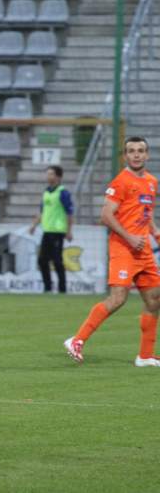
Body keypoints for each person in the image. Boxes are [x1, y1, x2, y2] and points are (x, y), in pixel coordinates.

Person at [65, 137, 160, 366]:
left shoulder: (151, 182)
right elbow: (106, 215)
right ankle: (77, 340)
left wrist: (156, 234)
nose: (136, 155)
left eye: (140, 151)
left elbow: (145, 215)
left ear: (147, 155)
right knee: (118, 299)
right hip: (123, 248)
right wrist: (129, 237)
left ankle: (145, 356)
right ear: (125, 156)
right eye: (131, 151)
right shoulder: (120, 182)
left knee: (155, 299)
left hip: (143, 250)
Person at [29, 165, 73, 294]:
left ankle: (62, 289)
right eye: (47, 174)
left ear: (58, 177)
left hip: (58, 231)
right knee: (42, 260)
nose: (48, 176)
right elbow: (43, 212)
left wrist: (69, 230)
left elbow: (69, 212)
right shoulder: (46, 192)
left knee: (57, 261)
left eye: (51, 174)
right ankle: (47, 288)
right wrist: (33, 225)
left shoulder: (63, 192)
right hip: (47, 230)